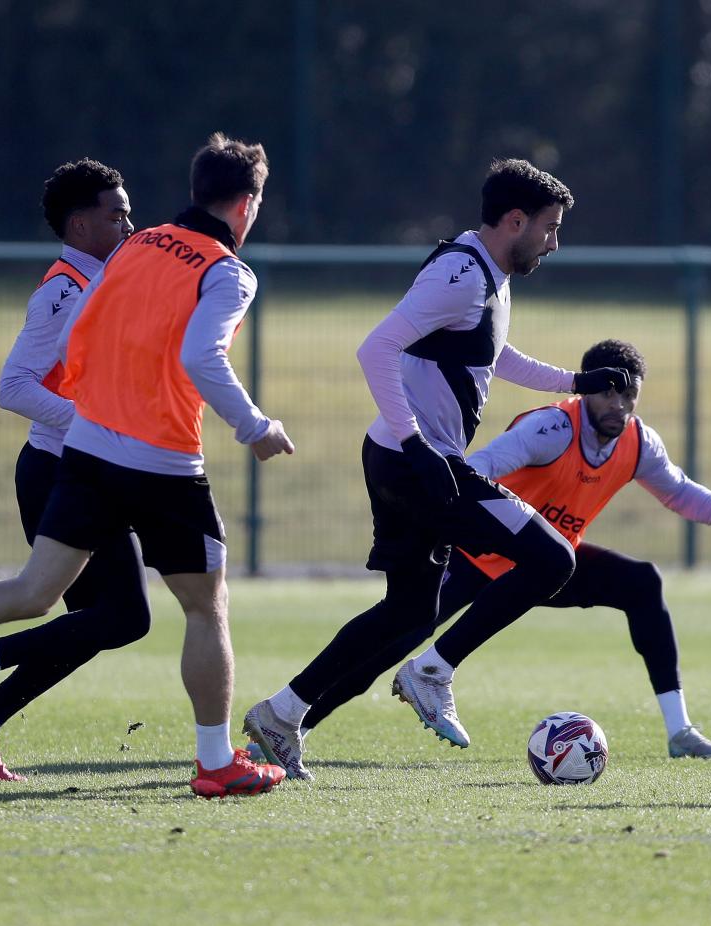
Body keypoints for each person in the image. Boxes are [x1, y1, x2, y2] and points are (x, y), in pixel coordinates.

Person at [0, 133, 292, 798]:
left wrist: (98, 397)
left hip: (87, 450)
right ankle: (213, 762)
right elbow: (203, 358)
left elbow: (80, 327)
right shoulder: (227, 271)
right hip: (162, 460)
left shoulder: (138, 247)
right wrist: (256, 427)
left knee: (36, 589)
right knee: (205, 609)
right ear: (248, 204)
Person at [244, 158, 630, 780]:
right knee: (553, 560)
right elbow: (376, 348)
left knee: (407, 612)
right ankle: (432, 670)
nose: (554, 242)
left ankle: (281, 714)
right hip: (414, 462)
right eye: (550, 228)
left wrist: (576, 382)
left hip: (406, 459)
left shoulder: (490, 272)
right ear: (514, 220)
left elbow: (491, 355)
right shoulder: (461, 273)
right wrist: (418, 444)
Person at [277, 338, 711, 765]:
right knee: (391, 641)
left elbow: (679, 492)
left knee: (642, 583)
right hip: (481, 557)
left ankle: (680, 731)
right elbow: (479, 465)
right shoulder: (553, 428)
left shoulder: (637, 442)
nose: (618, 404)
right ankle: (292, 723)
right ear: (585, 388)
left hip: (546, 568)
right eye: (607, 392)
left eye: (628, 394)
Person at [0, 158, 150, 780]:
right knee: (122, 618)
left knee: (99, 624)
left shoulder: (105, 277)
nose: (129, 220)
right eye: (115, 212)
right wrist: (91, 427)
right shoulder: (63, 290)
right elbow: (12, 386)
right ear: (79, 227)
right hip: (58, 473)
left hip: (88, 472)